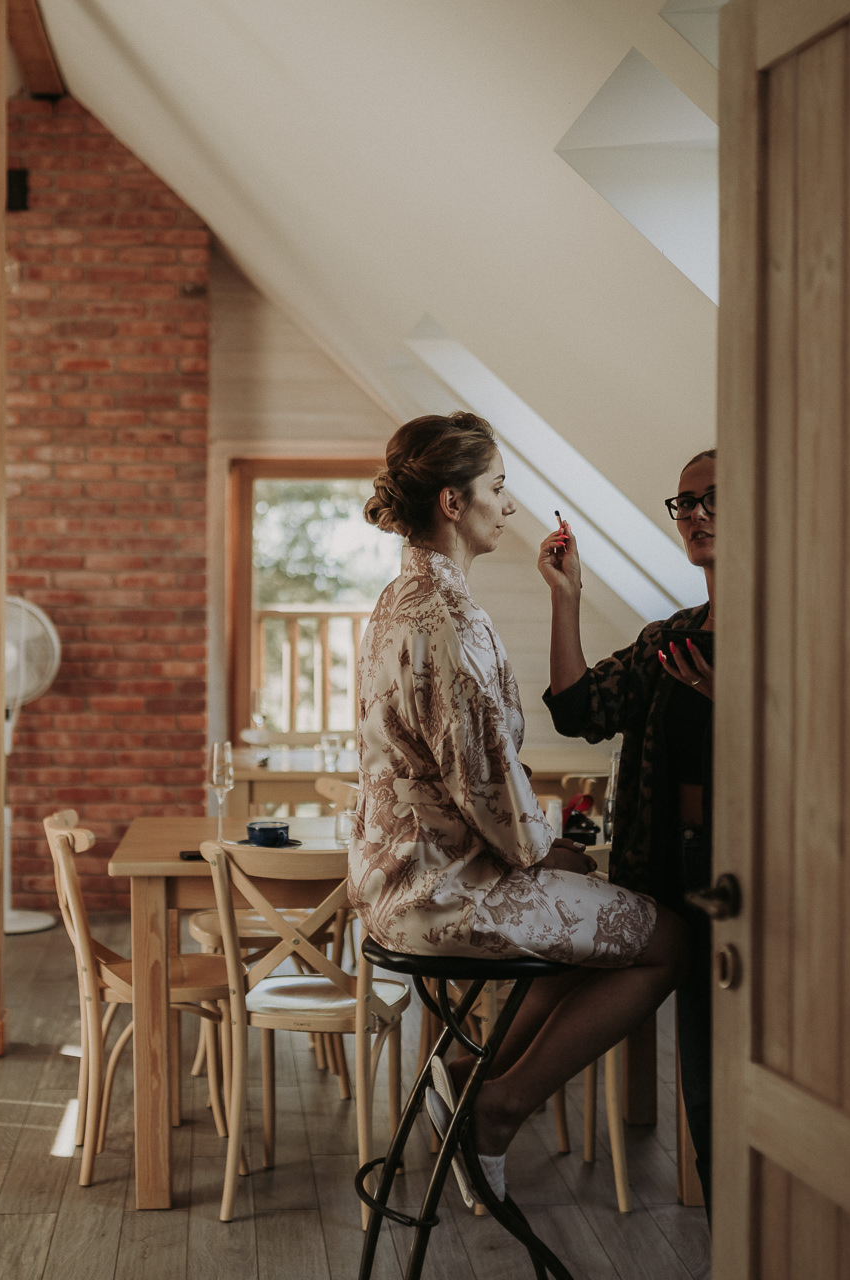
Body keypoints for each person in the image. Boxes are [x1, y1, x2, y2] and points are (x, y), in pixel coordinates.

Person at [348, 410, 688, 1205]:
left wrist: (539, 851)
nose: (510, 504)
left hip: (390, 887)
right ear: (453, 503)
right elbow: (490, 789)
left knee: (589, 923)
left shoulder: (395, 602)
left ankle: (470, 1071)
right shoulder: (453, 622)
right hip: (444, 897)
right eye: (497, 487)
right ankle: (498, 1105)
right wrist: (545, 848)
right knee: (667, 937)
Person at [539, 447, 717, 1209]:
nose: (698, 514)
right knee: (705, 1073)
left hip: (761, 885)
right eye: (686, 503)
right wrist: (567, 597)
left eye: (716, 497)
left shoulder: (803, 631)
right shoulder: (670, 637)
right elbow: (580, 711)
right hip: (671, 876)